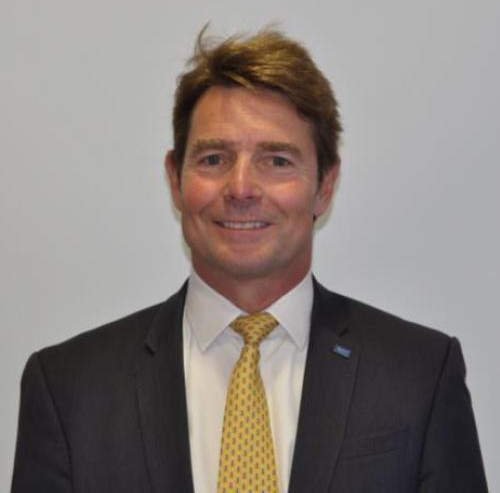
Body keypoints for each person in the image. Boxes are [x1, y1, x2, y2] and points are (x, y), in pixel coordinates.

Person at [11, 27, 488, 493]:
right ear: (175, 179)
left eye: (277, 161)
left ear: (325, 185)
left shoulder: (419, 375)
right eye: (214, 159)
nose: (241, 188)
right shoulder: (69, 388)